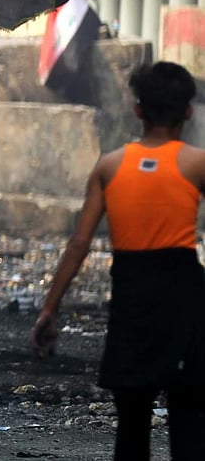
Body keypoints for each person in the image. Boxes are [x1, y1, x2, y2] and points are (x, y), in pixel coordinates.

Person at [31, 61, 205, 460]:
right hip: (184, 299)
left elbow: (79, 244)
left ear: (138, 110)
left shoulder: (110, 165)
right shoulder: (197, 163)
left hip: (132, 300)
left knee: (130, 429)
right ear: (188, 111)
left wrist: (49, 310)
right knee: (191, 426)